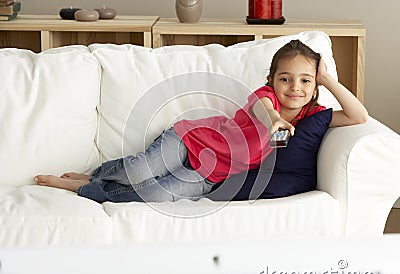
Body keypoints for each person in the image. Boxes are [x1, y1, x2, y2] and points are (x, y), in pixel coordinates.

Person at [34, 40, 368, 203]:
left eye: (305, 81)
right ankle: (96, 172)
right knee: (138, 170)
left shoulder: (314, 116)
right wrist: (275, 122)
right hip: (192, 138)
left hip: (210, 174)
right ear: (272, 79)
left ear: (314, 86)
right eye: (285, 79)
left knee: (155, 195)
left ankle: (86, 189)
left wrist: (328, 79)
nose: (294, 87)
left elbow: (358, 116)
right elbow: (266, 113)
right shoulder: (263, 97)